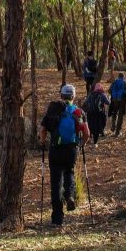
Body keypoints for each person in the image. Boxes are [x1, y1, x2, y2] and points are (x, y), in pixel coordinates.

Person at [39, 84, 90, 226]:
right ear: (73, 96)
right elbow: (87, 134)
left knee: (56, 182)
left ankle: (57, 219)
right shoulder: (79, 112)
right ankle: (70, 196)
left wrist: (43, 142)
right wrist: (81, 145)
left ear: (61, 95)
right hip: (71, 149)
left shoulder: (54, 110)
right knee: (69, 173)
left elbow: (42, 130)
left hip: (55, 149)